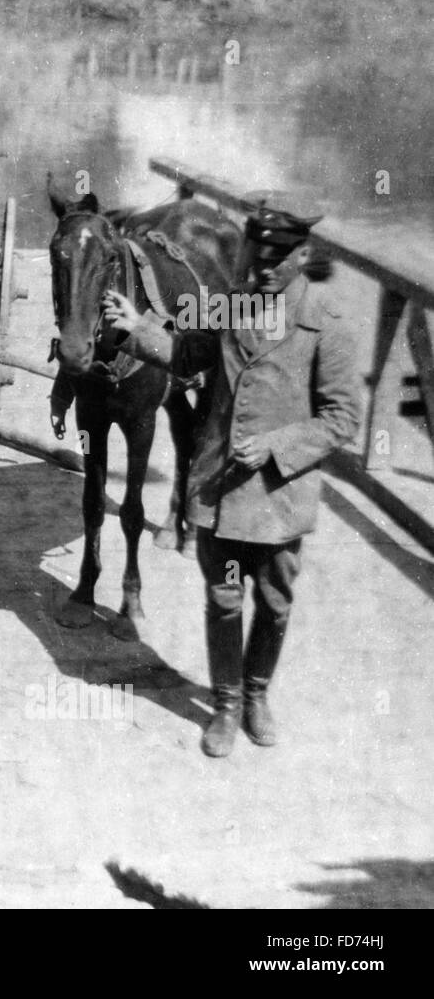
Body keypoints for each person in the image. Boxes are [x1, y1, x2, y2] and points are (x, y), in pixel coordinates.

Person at [104, 219, 360, 758]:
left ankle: (256, 696)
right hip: (219, 486)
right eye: (255, 257)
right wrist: (135, 327)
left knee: (274, 602)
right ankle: (224, 704)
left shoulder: (327, 322)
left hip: (279, 493)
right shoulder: (230, 306)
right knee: (223, 599)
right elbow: (185, 355)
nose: (263, 270)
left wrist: (276, 445)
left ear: (303, 255)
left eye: (277, 260)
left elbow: (341, 419)